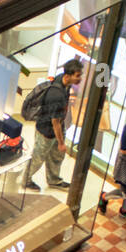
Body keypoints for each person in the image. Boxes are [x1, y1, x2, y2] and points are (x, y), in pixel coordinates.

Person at [21, 58, 83, 192]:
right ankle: (26, 180)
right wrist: (61, 142)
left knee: (56, 156)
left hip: (57, 128)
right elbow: (55, 123)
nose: (80, 78)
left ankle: (54, 180)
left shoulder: (63, 81)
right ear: (68, 75)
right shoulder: (56, 95)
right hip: (46, 131)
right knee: (38, 158)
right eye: (78, 75)